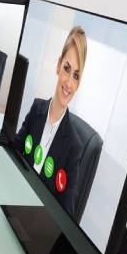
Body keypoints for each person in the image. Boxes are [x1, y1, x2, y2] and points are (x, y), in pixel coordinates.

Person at [15, 26, 103, 221]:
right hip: (14, 200)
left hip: (38, 221)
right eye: (67, 69)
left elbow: (67, 214)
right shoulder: (37, 109)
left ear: (79, 83)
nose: (69, 83)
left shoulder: (75, 146)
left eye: (76, 76)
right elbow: (14, 152)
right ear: (57, 66)